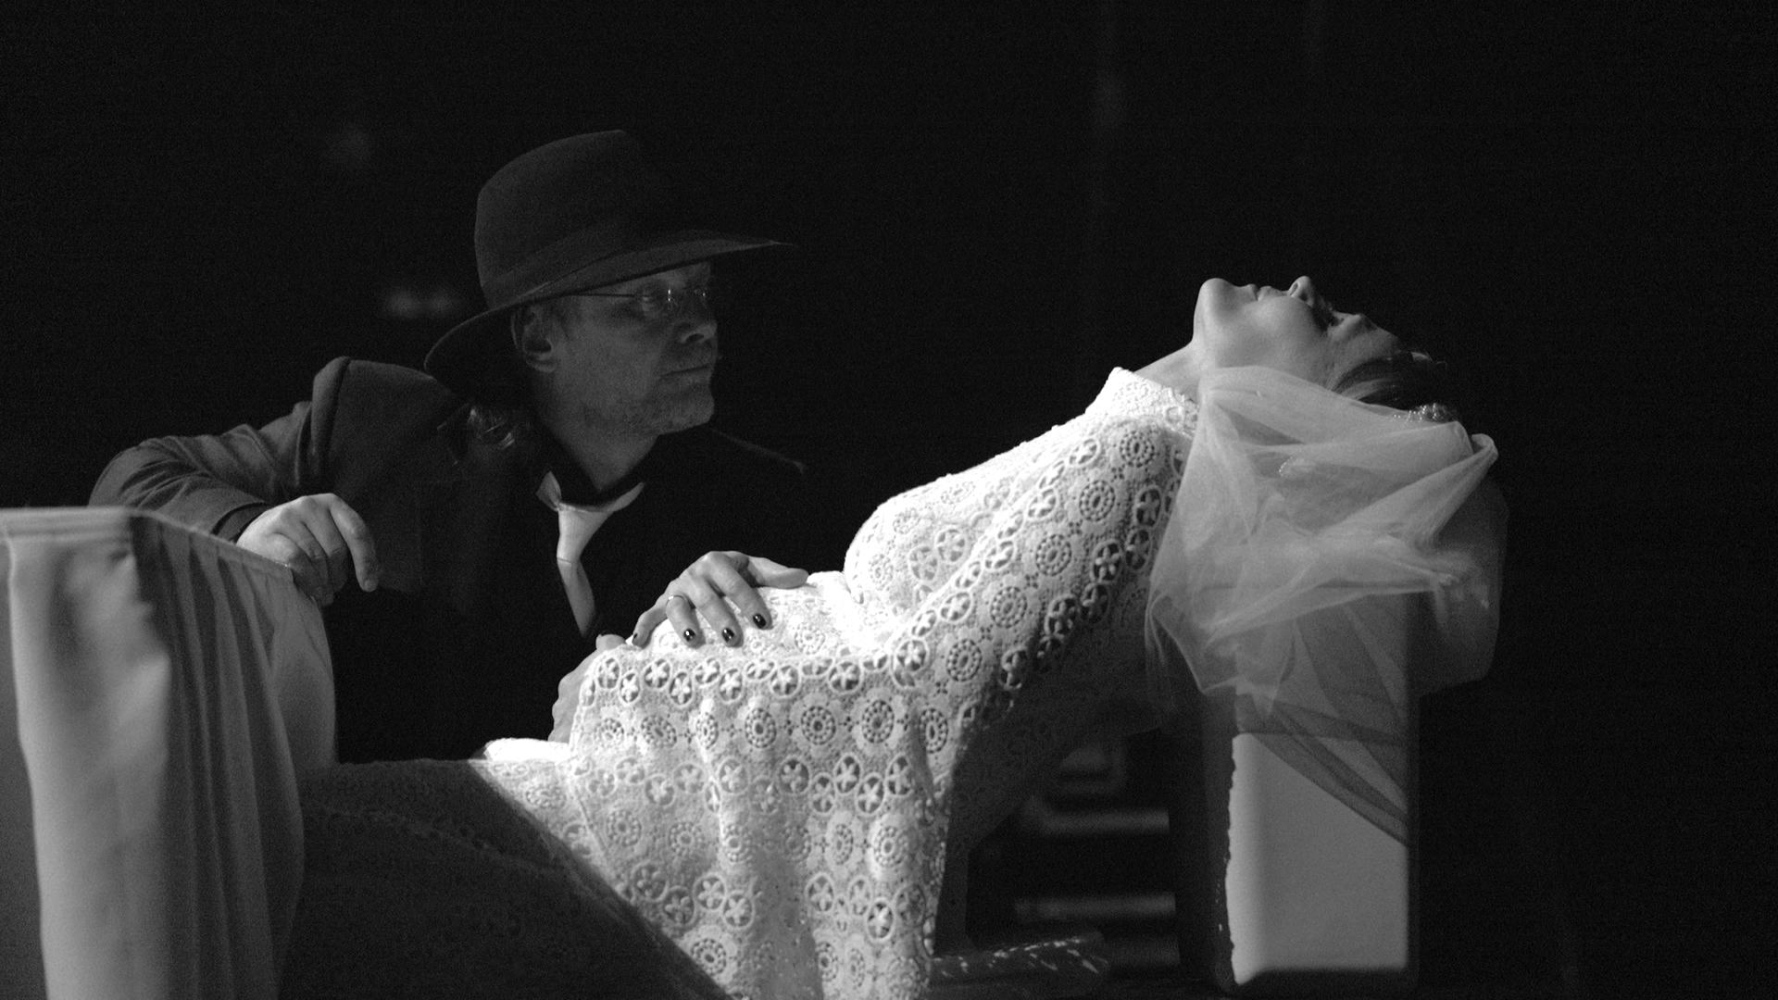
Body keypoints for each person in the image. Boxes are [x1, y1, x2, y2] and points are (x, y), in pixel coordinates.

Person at [278, 275, 1506, 1000]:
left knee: (252, 864)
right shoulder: (1125, 435)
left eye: (1345, 328)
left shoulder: (1146, 456)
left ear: (1304, 412)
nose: (1306, 288)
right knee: (241, 859)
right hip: (653, 776)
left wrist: (663, 685)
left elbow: (926, 696)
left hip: (665, 815)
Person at [89, 131, 838, 762]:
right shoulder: (372, 431)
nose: (702, 325)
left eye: (701, 290)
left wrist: (784, 629)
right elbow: (135, 478)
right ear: (539, 339)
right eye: (653, 300)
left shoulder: (760, 506)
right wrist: (245, 528)